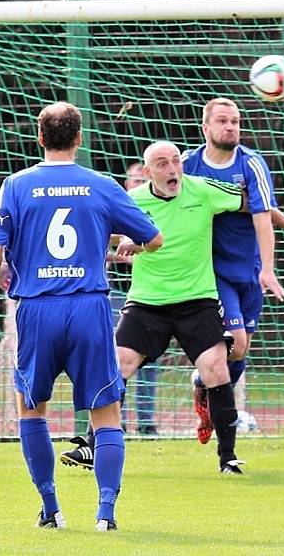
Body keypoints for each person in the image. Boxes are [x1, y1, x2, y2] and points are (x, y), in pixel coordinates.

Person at [0, 102, 163, 532]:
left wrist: (4, 274)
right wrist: (125, 247)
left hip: (38, 309)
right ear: (79, 139)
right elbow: (154, 239)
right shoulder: (100, 185)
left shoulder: (17, 184)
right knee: (106, 412)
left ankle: (52, 510)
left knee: (32, 409)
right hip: (89, 307)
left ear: (40, 138)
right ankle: (106, 515)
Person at [61, 140, 250, 474]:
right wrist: (122, 243)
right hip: (147, 303)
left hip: (198, 300)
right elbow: (101, 233)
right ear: (147, 172)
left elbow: (255, 202)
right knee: (117, 366)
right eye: (162, 163)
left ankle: (228, 458)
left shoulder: (203, 190)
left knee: (217, 368)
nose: (172, 168)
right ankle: (93, 446)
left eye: (175, 160)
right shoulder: (131, 201)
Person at [182, 97, 284, 443]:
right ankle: (214, 401)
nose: (231, 127)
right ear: (205, 128)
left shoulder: (252, 164)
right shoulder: (189, 165)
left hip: (249, 271)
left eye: (236, 122)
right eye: (223, 121)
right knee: (236, 340)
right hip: (211, 271)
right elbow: (168, 204)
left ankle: (204, 387)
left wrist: (268, 268)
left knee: (241, 351)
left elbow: (262, 215)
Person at [109, 162, 159, 436]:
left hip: (152, 292)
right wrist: (123, 254)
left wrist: (145, 251)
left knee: (149, 360)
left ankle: (147, 422)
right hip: (120, 291)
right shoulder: (118, 208)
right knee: (119, 357)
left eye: (142, 178)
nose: (137, 183)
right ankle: (117, 420)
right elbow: (100, 247)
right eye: (133, 179)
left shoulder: (157, 207)